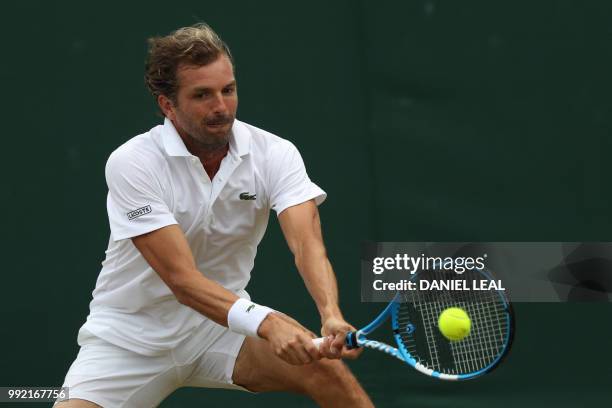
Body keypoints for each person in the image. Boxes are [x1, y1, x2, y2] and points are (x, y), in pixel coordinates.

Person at [56, 23, 373, 408]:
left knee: (327, 372)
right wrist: (267, 322)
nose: (221, 107)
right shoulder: (133, 163)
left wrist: (330, 313)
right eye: (202, 95)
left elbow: (306, 244)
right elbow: (182, 281)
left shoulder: (275, 153)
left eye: (228, 90)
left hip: (221, 331)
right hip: (128, 340)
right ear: (167, 105)